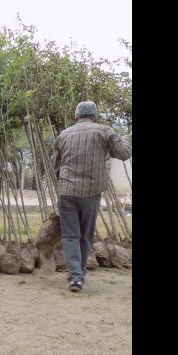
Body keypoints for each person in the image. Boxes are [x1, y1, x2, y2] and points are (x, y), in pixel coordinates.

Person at [50, 101, 131, 292]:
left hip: (67, 192)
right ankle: (79, 275)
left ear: (77, 117)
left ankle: (75, 277)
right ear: (94, 117)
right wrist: (126, 138)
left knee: (70, 236)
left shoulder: (64, 134)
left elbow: (56, 165)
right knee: (85, 236)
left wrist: (63, 183)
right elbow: (125, 153)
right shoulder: (104, 132)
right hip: (91, 193)